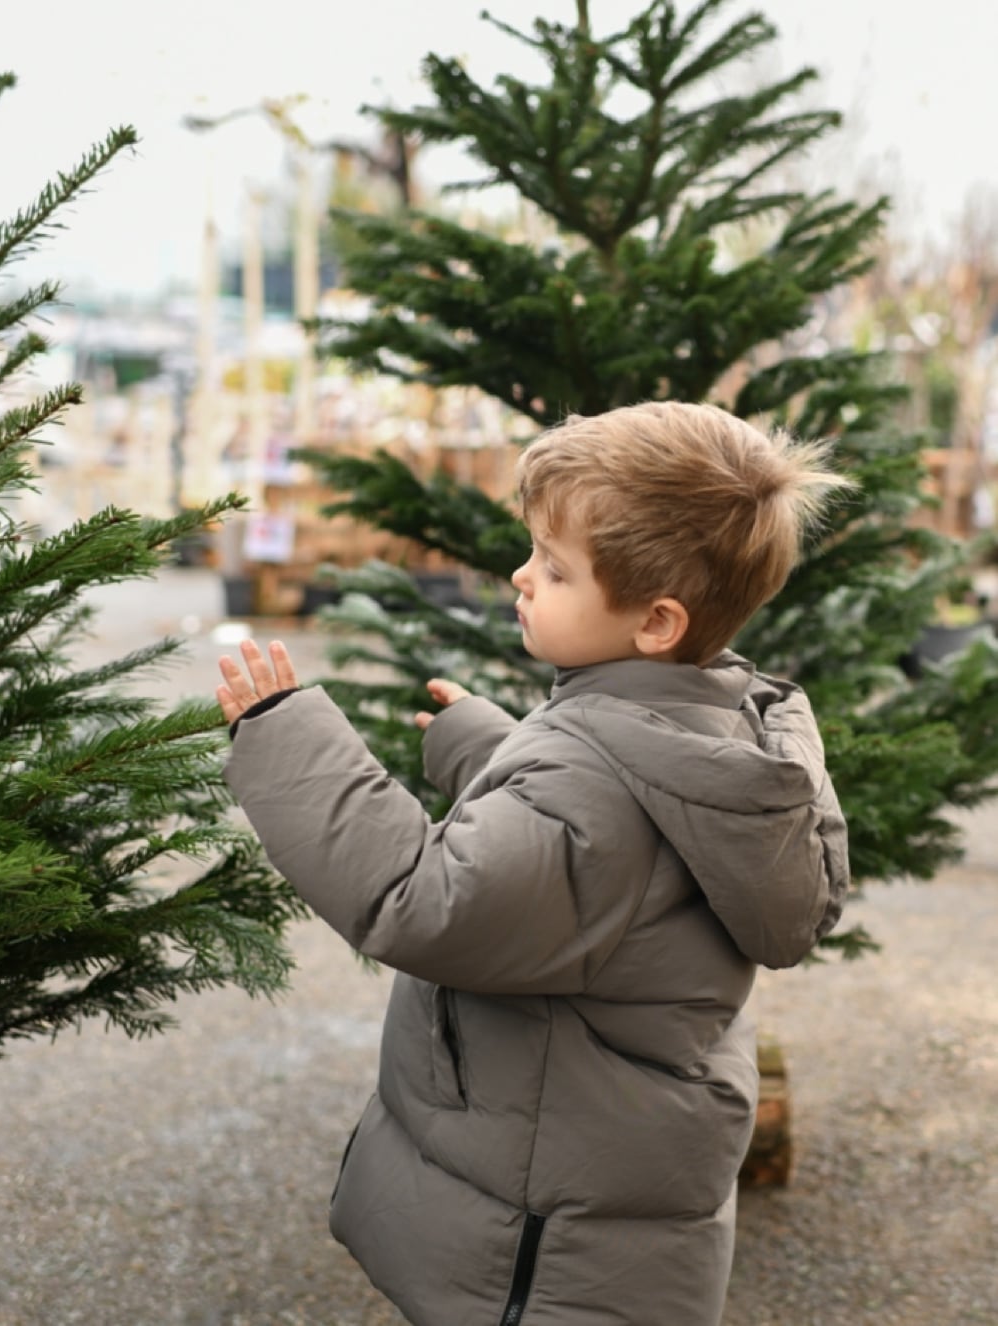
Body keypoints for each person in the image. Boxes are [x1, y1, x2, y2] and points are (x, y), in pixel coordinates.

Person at [215, 401, 852, 1326]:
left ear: (656, 622)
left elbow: (426, 902)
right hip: (611, 1210)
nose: (522, 576)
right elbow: (605, 841)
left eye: (554, 568)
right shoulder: (714, 728)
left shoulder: (590, 777)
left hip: (546, 1250)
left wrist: (288, 741)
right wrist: (494, 749)